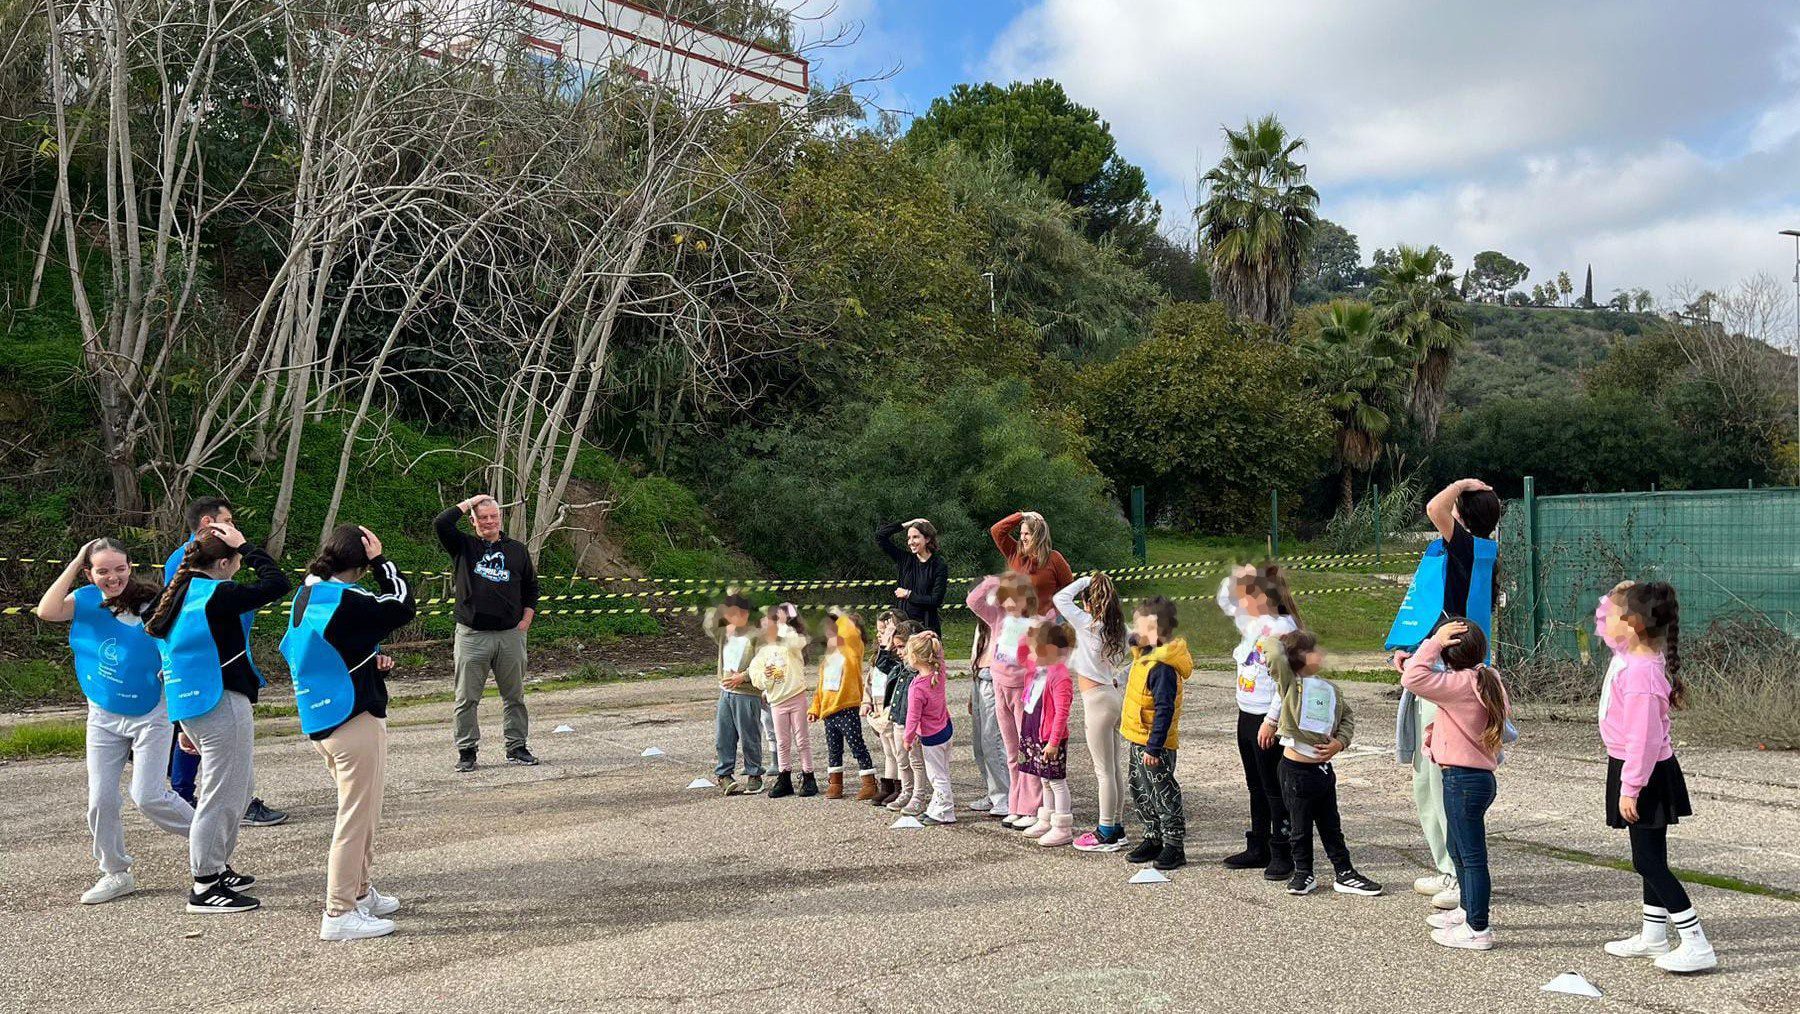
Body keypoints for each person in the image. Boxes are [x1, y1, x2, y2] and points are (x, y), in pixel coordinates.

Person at [35, 539, 194, 905]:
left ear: (130, 567)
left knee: (149, 795)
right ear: (90, 573)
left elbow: (178, 656)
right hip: (103, 716)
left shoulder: (152, 603)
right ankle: (115, 872)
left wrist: (184, 720)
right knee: (100, 800)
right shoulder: (85, 600)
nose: (113, 577)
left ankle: (210, 844)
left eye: (120, 568)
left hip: (151, 712)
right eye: (103, 570)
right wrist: (76, 560)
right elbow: (47, 610)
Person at [146, 522, 291, 914]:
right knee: (222, 793)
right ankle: (205, 884)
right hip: (220, 699)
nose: (240, 568)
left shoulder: (180, 592)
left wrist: (183, 724)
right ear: (224, 562)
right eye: (237, 561)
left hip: (196, 702)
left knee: (238, 788)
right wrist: (247, 543)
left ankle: (216, 867)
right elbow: (278, 583)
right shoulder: (217, 593)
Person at [279, 525, 415, 941]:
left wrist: (368, 659)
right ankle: (339, 913)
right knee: (355, 818)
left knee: (365, 810)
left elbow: (331, 646)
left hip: (325, 715)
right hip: (354, 719)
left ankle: (359, 891)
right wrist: (383, 563)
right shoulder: (347, 600)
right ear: (359, 562)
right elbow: (401, 605)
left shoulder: (309, 593)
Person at [1596, 582, 1715, 974]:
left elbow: (1643, 741)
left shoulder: (1642, 673)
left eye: (1616, 612)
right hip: (1635, 767)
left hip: (1643, 772)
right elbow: (1605, 624)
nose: (1606, 619)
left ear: (1632, 624)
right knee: (1651, 856)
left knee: (1647, 862)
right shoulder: (1633, 652)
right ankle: (1653, 935)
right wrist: (1613, 595)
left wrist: (1631, 789)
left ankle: (1695, 941)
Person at [1395, 477, 1502, 910]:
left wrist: (1460, 484)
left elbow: (1432, 507)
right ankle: (1447, 866)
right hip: (1446, 664)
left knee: (1439, 775)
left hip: (1444, 675)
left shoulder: (1464, 545)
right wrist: (1412, 650)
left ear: (1462, 515)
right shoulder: (1477, 554)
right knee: (1431, 774)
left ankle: (1455, 873)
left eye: (1457, 506)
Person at [163, 497, 288, 828]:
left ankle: (225, 803)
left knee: (214, 751)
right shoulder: (190, 563)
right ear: (208, 523)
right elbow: (179, 626)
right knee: (216, 763)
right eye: (229, 521)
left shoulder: (212, 563)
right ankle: (188, 797)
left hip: (222, 664)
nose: (234, 526)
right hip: (210, 675)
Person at [1402, 620, 1511, 951]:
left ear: (1448, 656)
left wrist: (1433, 641)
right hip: (1475, 779)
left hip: (1462, 781)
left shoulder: (1459, 684)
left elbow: (1413, 678)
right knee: (1458, 850)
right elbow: (1422, 676)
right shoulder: (1485, 678)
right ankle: (1467, 911)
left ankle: (1478, 929)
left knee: (1472, 857)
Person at [1266, 630, 1383, 898]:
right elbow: (1273, 653)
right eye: (1314, 651)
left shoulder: (1331, 690)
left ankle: (1344, 872)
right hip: (1295, 772)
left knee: (1331, 825)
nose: (1321, 654)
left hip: (1322, 772)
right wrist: (1279, 637)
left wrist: (1339, 743)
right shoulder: (1289, 685)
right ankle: (1303, 872)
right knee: (1299, 826)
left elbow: (1347, 719)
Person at [436, 493, 540, 772]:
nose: (489, 521)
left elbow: (531, 587)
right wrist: (473, 501)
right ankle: (467, 751)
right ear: (473, 521)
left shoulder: (517, 550)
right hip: (472, 635)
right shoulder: (464, 546)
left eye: (493, 516)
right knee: (467, 698)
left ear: (500, 518)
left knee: (514, 697)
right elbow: (442, 523)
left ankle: (517, 747)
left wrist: (526, 620)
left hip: (510, 636)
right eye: (483, 517)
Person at [1217, 563, 1302, 879]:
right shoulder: (1253, 622)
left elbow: (1286, 681)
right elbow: (1224, 600)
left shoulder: (1282, 627)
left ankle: (1283, 849)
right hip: (1246, 714)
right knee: (1256, 784)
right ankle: (1259, 845)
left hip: (1268, 718)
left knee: (1274, 787)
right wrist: (1236, 575)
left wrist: (1271, 720)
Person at [1054, 573, 1132, 853]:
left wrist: (1085, 580)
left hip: (1096, 700)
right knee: (1113, 769)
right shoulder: (1121, 629)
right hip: (1112, 695)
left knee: (1103, 772)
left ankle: (1106, 830)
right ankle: (1118, 827)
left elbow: (1059, 598)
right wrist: (1121, 677)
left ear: (1089, 602)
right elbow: (1145, 652)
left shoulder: (1088, 624)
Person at [1120, 596, 1192, 872]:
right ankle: (1154, 836)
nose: (1135, 632)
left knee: (1163, 792)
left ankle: (1174, 844)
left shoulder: (1162, 667)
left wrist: (1154, 747)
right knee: (1141, 789)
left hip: (1155, 745)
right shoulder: (1144, 658)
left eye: (1140, 627)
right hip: (1137, 738)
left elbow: (1165, 710)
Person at [966, 572, 1039, 828]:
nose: (1007, 601)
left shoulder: (1034, 624)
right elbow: (973, 601)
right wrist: (992, 582)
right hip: (999, 687)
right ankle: (1016, 802)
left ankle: (1033, 806)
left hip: (1021, 690)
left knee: (1026, 749)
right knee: (1010, 751)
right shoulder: (997, 618)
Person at [1017, 624, 1076, 847]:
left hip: (1051, 738)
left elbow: (1062, 712)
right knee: (1044, 779)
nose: (1031, 654)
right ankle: (1046, 818)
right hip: (1035, 733)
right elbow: (1021, 653)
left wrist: (1053, 742)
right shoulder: (1039, 668)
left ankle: (1062, 826)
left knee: (1056, 781)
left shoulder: (1060, 675)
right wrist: (1030, 630)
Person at [809, 610, 879, 800]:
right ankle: (836, 783)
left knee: (857, 746)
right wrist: (815, 709)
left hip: (847, 709)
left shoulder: (851, 653)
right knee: (833, 749)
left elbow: (850, 634)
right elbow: (820, 687)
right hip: (829, 713)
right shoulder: (827, 660)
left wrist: (841, 616)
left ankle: (869, 783)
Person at [749, 603, 814, 799]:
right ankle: (784, 777)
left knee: (802, 740)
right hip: (777, 701)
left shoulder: (791, 642)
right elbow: (756, 676)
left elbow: (795, 642)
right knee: (782, 742)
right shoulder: (763, 651)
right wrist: (766, 677)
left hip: (796, 696)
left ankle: (809, 776)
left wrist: (783, 624)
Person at [705, 593, 765, 796]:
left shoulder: (756, 635)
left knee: (750, 736)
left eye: (737, 613)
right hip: (726, 692)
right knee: (724, 736)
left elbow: (763, 662)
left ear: (746, 614)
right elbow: (708, 623)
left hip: (747, 693)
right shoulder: (724, 633)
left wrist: (744, 676)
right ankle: (724, 775)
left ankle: (754, 774)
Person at [900, 630, 955, 825]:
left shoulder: (917, 687)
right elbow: (940, 655)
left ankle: (944, 811)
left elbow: (912, 717)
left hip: (932, 737)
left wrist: (907, 738)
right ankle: (937, 806)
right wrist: (930, 638)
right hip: (946, 729)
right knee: (943, 772)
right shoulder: (938, 672)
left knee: (937, 776)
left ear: (914, 657)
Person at [962, 595, 1010, 816]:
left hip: (993, 681)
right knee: (979, 744)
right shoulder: (981, 626)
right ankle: (992, 792)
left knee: (993, 741)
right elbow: (976, 655)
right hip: (979, 680)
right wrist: (972, 694)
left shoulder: (1003, 621)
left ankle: (1005, 795)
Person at [863, 614, 916, 806]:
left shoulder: (901, 661)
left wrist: (890, 641)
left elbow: (885, 665)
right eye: (879, 631)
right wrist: (866, 702)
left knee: (901, 755)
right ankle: (889, 786)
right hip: (879, 711)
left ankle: (903, 788)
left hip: (894, 715)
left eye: (886, 631)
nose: (881, 635)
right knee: (889, 752)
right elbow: (871, 679)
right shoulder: (881, 657)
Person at [989, 510, 1074, 616]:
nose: (1022, 538)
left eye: (1027, 534)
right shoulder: (1014, 553)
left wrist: (1054, 610)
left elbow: (1071, 588)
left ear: (1038, 536)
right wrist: (1022, 515)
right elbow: (996, 531)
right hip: (1017, 624)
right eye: (1021, 534)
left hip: (1047, 624)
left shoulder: (1054, 558)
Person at [875, 519, 949, 634]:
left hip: (925, 628)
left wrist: (908, 594)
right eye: (909, 538)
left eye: (915, 537)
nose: (910, 542)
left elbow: (935, 600)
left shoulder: (938, 565)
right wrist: (908, 524)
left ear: (927, 539)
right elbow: (880, 537)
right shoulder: (905, 559)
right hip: (902, 627)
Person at [883, 636, 927, 815]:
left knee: (916, 761)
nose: (899, 652)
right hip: (898, 720)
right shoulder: (898, 667)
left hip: (912, 725)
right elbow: (882, 663)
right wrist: (886, 643)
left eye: (902, 647)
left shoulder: (918, 672)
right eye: (897, 648)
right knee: (901, 760)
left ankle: (919, 796)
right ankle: (906, 792)